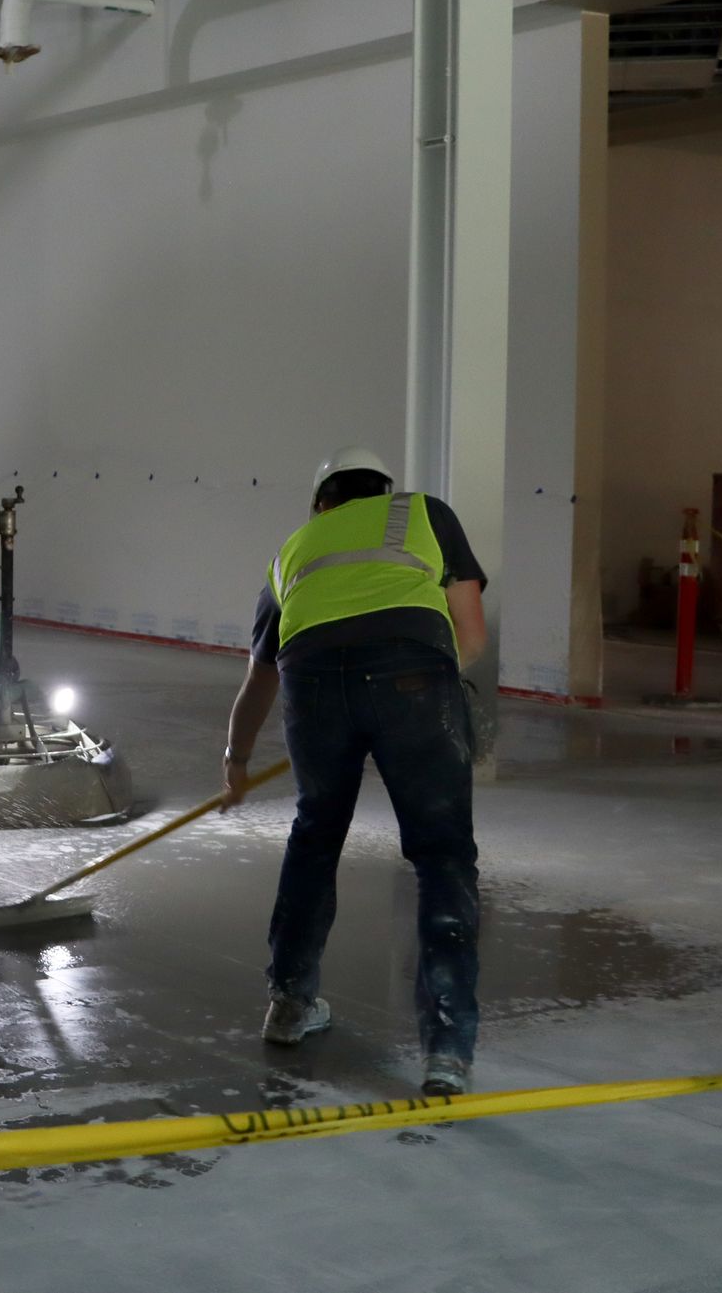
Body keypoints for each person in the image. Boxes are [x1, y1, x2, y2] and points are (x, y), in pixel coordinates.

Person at [220, 446, 489, 1096]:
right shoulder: (426, 513)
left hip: (310, 685)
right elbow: (470, 631)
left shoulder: (295, 548)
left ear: (322, 501)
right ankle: (447, 1050)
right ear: (384, 490)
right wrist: (427, 692)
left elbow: (259, 678)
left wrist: (236, 760)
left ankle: (288, 1003)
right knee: (441, 855)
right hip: (413, 674)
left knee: (315, 836)